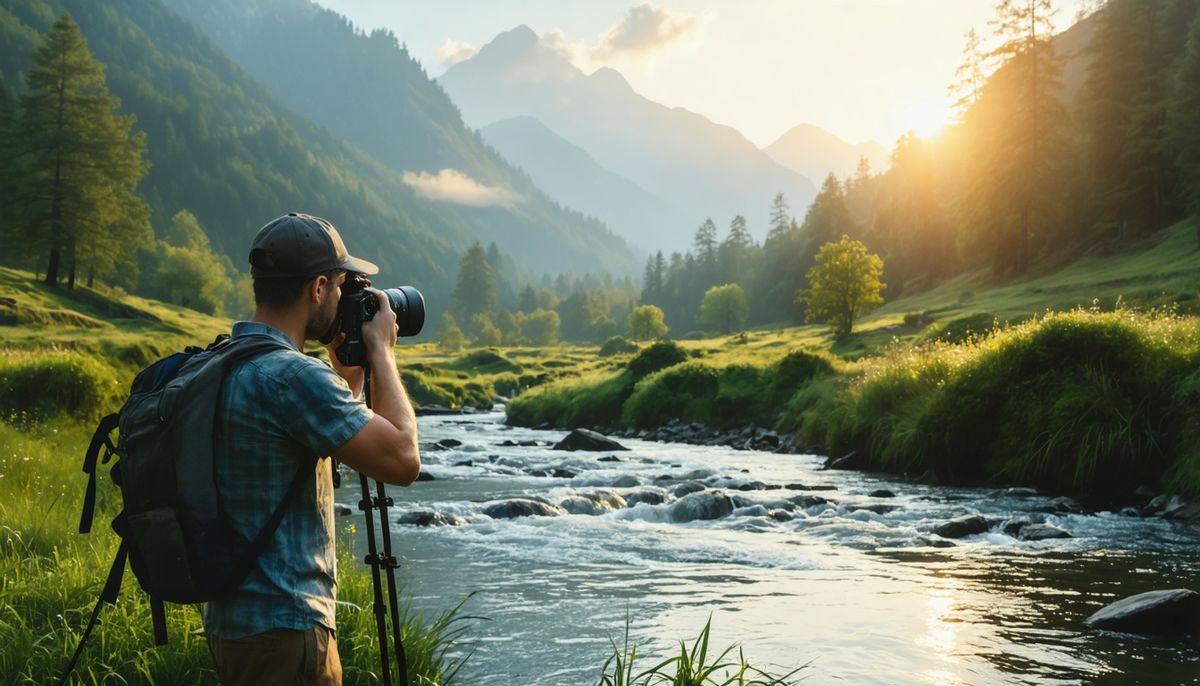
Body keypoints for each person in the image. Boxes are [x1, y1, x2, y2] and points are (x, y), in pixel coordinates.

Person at [203, 212, 421, 686]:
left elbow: (317, 442)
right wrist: (382, 350)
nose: (345, 298)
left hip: (233, 626)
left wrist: (349, 377)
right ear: (318, 288)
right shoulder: (295, 378)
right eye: (343, 286)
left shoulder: (225, 362)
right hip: (288, 629)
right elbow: (403, 460)